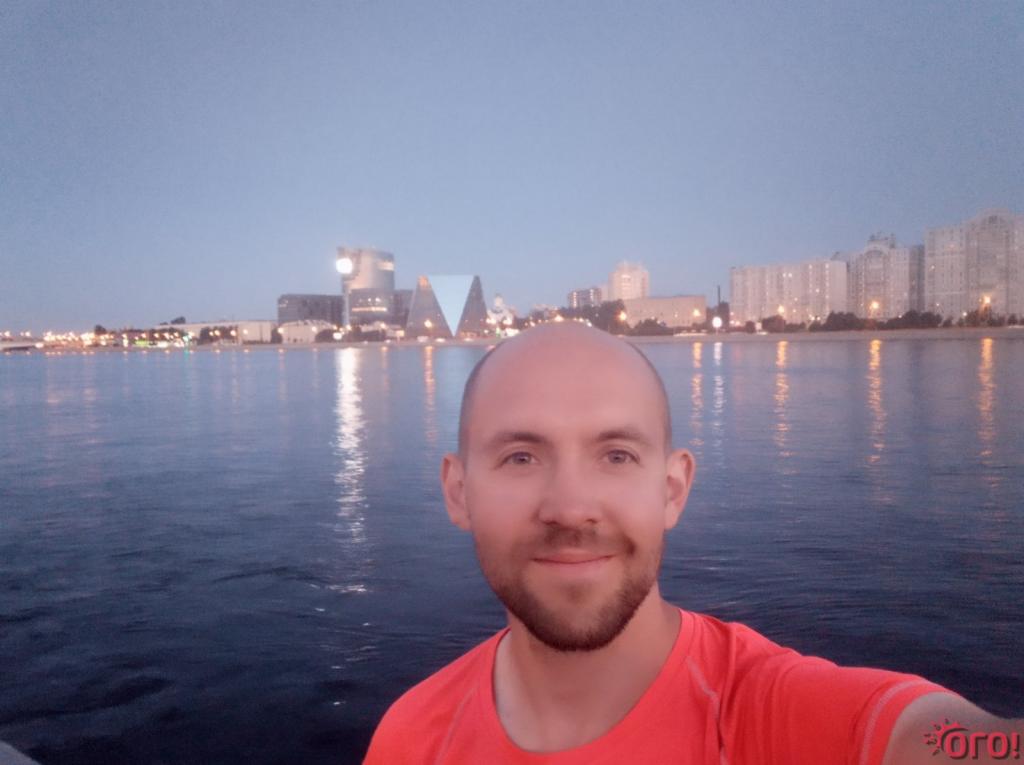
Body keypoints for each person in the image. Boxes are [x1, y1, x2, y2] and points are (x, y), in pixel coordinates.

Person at [364, 323, 1021, 764]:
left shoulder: (774, 714)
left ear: (673, 488)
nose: (569, 507)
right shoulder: (410, 736)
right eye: (520, 457)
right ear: (458, 491)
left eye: (616, 455)